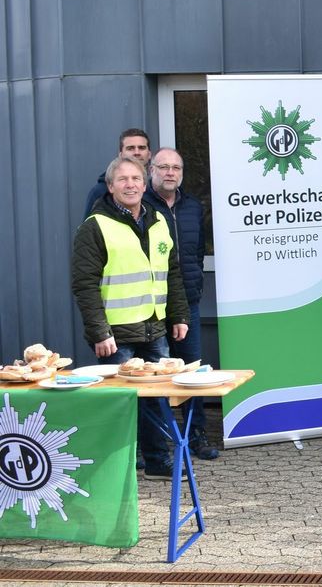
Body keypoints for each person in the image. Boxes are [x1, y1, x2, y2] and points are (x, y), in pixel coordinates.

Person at [72, 156, 190, 480]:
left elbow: (172, 273)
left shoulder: (158, 221)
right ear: (110, 186)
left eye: (136, 178)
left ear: (144, 182)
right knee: (118, 406)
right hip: (115, 335)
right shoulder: (95, 226)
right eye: (122, 179)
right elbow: (84, 284)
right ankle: (114, 472)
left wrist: (179, 315)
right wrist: (99, 332)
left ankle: (157, 463)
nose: (130, 185)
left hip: (155, 329)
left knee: (156, 402)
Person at [142, 147, 218, 460]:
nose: (170, 173)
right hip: (152, 306)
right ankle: (158, 443)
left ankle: (195, 436)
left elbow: (197, 252)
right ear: (151, 171)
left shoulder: (192, 206)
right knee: (157, 375)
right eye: (163, 167)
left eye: (176, 168)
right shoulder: (141, 207)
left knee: (192, 372)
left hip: (188, 301)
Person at [85, 128, 151, 217]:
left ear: (149, 154)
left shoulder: (156, 190)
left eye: (141, 148)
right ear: (120, 155)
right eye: (130, 148)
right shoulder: (100, 191)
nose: (136, 152)